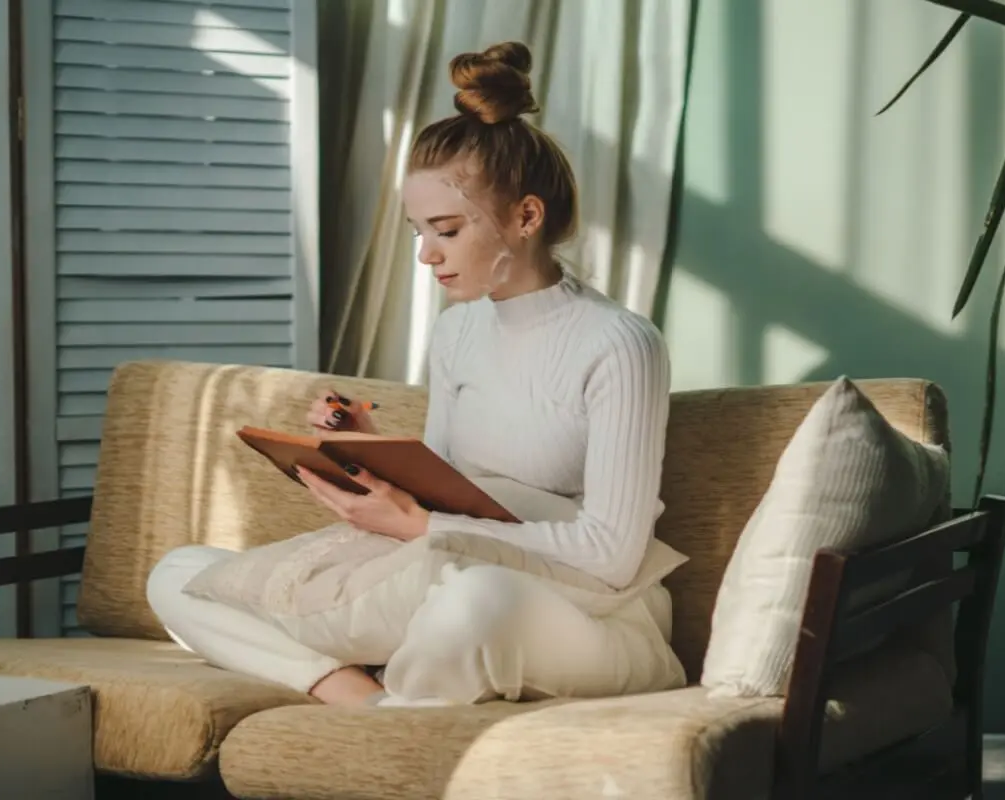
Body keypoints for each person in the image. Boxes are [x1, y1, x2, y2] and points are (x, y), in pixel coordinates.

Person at [146, 41, 687, 707]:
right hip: (443, 569)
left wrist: (421, 528)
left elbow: (611, 553)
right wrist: (370, 450)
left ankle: (400, 698)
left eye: (447, 230)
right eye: (417, 231)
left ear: (526, 216)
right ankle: (362, 698)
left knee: (474, 599)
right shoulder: (458, 330)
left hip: (584, 612)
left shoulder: (620, 343)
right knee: (178, 574)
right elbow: (447, 489)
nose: (426, 254)